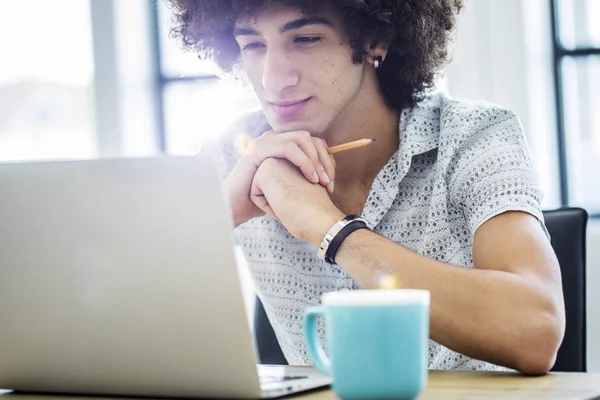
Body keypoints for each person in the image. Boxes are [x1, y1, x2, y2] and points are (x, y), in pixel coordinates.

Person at [165, 0, 565, 374]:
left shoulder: (474, 137)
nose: (273, 79)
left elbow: (535, 329)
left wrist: (330, 228)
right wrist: (224, 211)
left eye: (305, 39)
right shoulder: (235, 157)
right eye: (252, 45)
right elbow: (113, 309)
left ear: (376, 37)